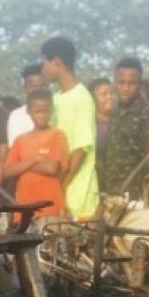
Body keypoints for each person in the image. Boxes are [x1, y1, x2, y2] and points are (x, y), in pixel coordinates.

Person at [41, 37, 97, 220]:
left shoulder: (82, 98)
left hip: (78, 192)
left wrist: (62, 186)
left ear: (57, 62)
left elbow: (80, 149)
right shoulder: (55, 99)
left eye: (44, 64)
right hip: (58, 189)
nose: (43, 70)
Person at [98, 57, 149, 201]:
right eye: (121, 82)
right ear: (114, 83)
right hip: (111, 193)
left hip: (137, 197)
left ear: (139, 84)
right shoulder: (113, 112)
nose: (126, 88)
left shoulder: (148, 115)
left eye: (131, 83)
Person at [2, 88, 68, 220]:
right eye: (37, 112)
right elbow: (6, 171)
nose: (42, 116)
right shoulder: (20, 140)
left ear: (52, 110)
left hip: (49, 209)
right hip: (24, 209)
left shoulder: (57, 135)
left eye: (46, 111)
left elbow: (52, 168)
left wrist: (21, 166)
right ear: (28, 111)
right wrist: (34, 160)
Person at [7, 64, 46, 146]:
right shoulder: (16, 116)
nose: (38, 91)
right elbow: (15, 148)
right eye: (33, 87)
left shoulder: (54, 111)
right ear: (24, 88)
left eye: (42, 86)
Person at [88, 77, 114, 147]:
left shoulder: (119, 121)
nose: (109, 97)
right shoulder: (91, 125)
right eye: (104, 94)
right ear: (93, 98)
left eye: (112, 93)